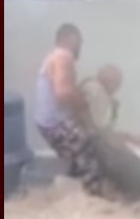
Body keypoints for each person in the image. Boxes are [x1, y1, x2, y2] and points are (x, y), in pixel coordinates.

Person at [34, 23, 105, 196]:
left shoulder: (54, 57)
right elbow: (63, 92)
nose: (81, 47)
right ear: (70, 39)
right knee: (91, 161)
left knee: (77, 160)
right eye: (80, 42)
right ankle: (98, 207)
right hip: (55, 123)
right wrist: (82, 102)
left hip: (46, 123)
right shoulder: (63, 56)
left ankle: (68, 197)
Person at [79, 64, 140, 206]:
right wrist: (126, 147)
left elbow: (101, 128)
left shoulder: (93, 89)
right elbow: (103, 134)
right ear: (110, 81)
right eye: (117, 83)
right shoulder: (97, 93)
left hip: (95, 146)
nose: (118, 88)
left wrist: (129, 138)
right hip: (98, 148)